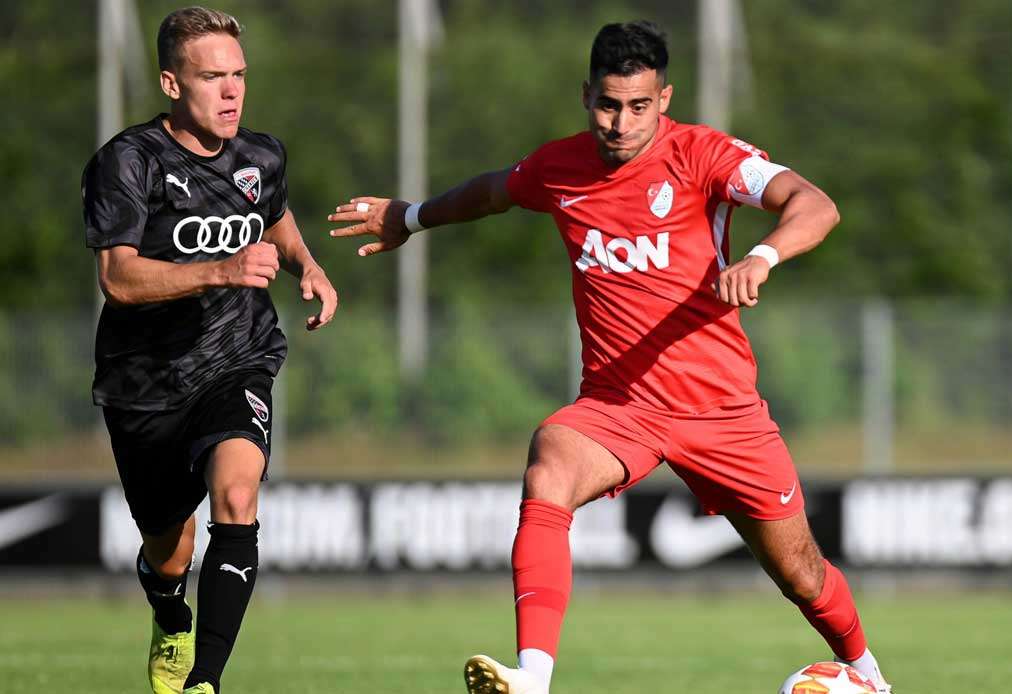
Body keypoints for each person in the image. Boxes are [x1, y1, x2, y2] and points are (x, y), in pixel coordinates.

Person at [329, 20, 890, 694]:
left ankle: (867, 674)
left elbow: (814, 204)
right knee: (550, 465)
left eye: (639, 106)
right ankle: (533, 677)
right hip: (618, 407)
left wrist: (762, 256)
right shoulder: (558, 167)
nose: (620, 123)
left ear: (665, 98)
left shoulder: (704, 156)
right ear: (585, 95)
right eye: (606, 104)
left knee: (800, 571)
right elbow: (489, 194)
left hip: (722, 411)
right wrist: (412, 217)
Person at [81, 7, 337, 694]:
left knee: (236, 491)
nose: (230, 92)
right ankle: (169, 615)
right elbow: (118, 278)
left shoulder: (261, 155)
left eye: (239, 76)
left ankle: (206, 683)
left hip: (239, 358)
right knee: (171, 553)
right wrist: (220, 269)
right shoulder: (129, 162)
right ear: (171, 82)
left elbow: (274, 217)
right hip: (146, 385)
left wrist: (305, 266)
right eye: (211, 77)